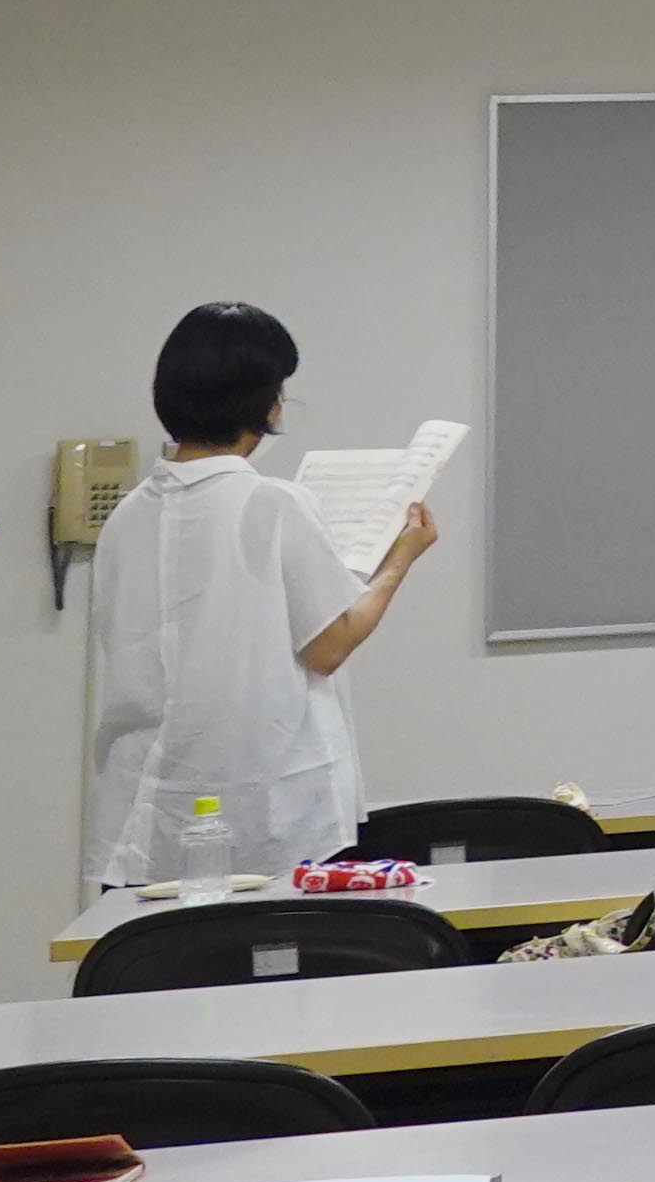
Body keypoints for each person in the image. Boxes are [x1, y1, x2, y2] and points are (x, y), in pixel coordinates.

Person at [86, 301, 434, 885]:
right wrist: (400, 558)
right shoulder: (275, 504)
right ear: (267, 405)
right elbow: (328, 645)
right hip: (263, 819)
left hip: (143, 816)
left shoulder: (127, 516)